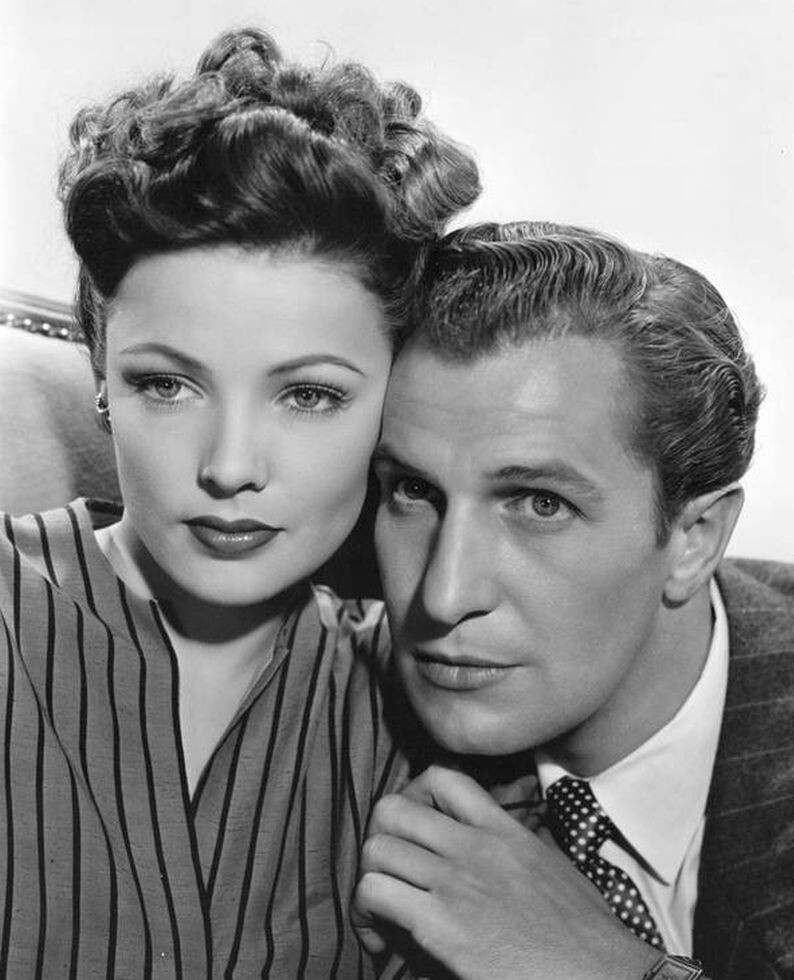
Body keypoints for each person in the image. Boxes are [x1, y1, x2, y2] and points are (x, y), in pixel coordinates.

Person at [0, 28, 478, 978]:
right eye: (167, 385)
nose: (228, 468)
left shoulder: (441, 698)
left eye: (310, 395)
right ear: (101, 378)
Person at [353, 222, 794, 979]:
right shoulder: (333, 705)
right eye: (414, 490)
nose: (444, 595)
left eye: (540, 504)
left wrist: (613, 971)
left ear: (694, 539)